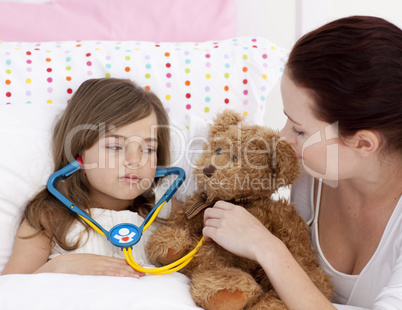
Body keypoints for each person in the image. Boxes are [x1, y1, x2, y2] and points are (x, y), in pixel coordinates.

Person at [202, 16, 402, 309]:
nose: (283, 137)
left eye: (299, 129)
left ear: (363, 143)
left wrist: (268, 248)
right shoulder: (313, 172)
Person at [2, 78, 177, 278]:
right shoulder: (49, 218)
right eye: (115, 146)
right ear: (79, 154)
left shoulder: (169, 214)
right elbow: (9, 289)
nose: (135, 160)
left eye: (148, 148)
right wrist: (59, 267)